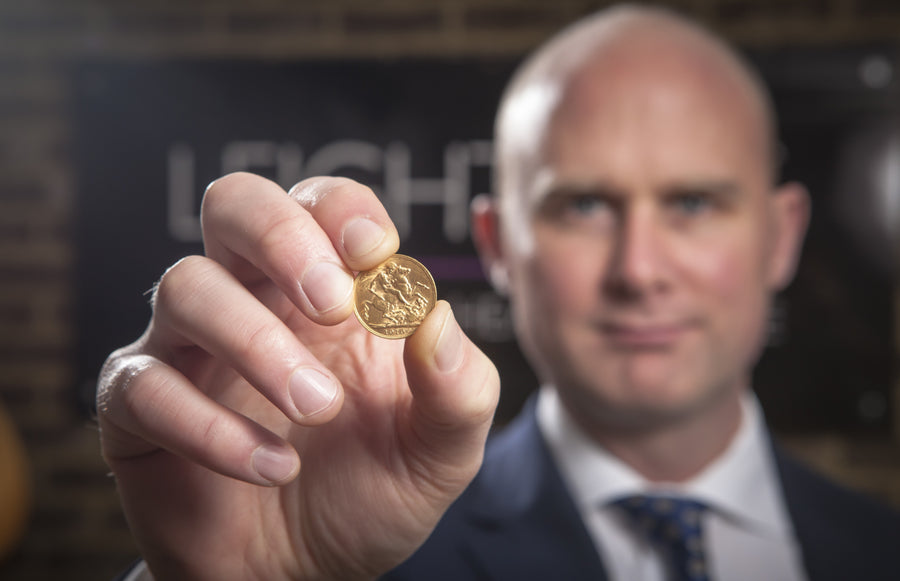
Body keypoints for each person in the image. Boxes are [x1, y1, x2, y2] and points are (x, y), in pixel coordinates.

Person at [99, 4, 900, 581]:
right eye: (582, 205)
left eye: (694, 203)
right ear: (498, 246)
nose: (640, 269)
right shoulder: (367, 552)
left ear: (783, 236)